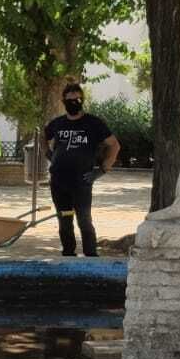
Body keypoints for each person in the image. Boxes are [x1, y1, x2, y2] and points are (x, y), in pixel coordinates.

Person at [42, 83, 119, 257]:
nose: (73, 103)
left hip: (82, 181)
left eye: (77, 99)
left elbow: (114, 145)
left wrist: (102, 170)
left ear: (82, 100)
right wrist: (49, 154)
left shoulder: (94, 123)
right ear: (63, 101)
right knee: (64, 220)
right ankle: (68, 254)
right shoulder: (58, 123)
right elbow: (43, 137)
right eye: (69, 100)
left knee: (84, 220)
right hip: (58, 181)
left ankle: (90, 255)